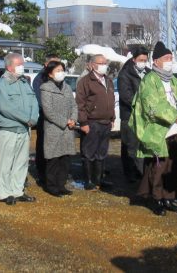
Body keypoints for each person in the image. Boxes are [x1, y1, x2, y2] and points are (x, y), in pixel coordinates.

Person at [130, 41, 177, 216]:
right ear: (156, 61)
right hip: (157, 131)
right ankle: (156, 198)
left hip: (175, 130)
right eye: (167, 58)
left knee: (173, 165)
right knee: (158, 167)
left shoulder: (174, 80)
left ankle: (169, 197)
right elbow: (152, 104)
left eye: (171, 58)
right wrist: (174, 115)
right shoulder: (149, 80)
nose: (170, 61)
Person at [0, 53, 39, 205]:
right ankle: (5, 193)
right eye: (19, 64)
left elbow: (33, 101)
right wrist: (27, 118)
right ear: (9, 66)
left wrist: (33, 118)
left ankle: (18, 191)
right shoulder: (3, 84)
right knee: (6, 163)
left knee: (21, 162)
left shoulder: (24, 82)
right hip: (10, 130)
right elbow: (5, 107)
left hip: (25, 129)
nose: (22, 67)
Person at [76, 54, 115, 191]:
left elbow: (111, 100)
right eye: (101, 62)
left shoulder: (108, 81)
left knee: (102, 153)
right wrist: (83, 122)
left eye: (105, 62)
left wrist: (112, 118)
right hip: (92, 122)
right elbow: (80, 104)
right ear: (93, 65)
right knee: (89, 153)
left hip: (106, 122)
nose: (104, 65)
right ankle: (89, 181)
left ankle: (99, 180)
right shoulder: (85, 82)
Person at [39, 61, 77, 197]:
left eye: (62, 70)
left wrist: (73, 119)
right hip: (54, 129)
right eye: (58, 70)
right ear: (50, 74)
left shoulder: (66, 87)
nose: (61, 73)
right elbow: (48, 111)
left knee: (65, 159)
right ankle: (52, 186)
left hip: (68, 129)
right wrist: (64, 121)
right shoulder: (45, 88)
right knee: (53, 159)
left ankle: (61, 184)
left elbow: (74, 105)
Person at [117, 47, 150, 183]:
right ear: (134, 59)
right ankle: (130, 173)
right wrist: (142, 105)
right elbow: (126, 96)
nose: (143, 62)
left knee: (142, 145)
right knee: (130, 145)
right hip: (129, 115)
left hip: (145, 116)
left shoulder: (149, 73)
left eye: (145, 60)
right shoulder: (125, 74)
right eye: (141, 60)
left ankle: (141, 172)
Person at [32, 54, 60, 186]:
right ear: (46, 64)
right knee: (43, 147)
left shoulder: (58, 78)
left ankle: (54, 174)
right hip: (45, 118)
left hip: (57, 119)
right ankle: (42, 174)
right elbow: (42, 101)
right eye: (53, 63)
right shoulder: (40, 79)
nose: (57, 66)